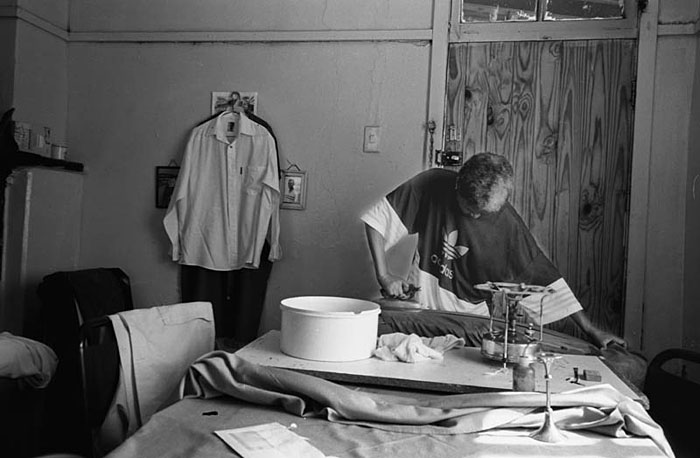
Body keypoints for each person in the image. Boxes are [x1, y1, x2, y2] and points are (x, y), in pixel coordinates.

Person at [361, 152, 626, 350]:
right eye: (469, 209)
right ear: (457, 185)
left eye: (483, 213)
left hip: (468, 322)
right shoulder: (432, 184)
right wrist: (384, 276)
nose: (475, 216)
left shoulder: (508, 226)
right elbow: (377, 220)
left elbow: (546, 281)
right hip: (420, 307)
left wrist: (591, 329)